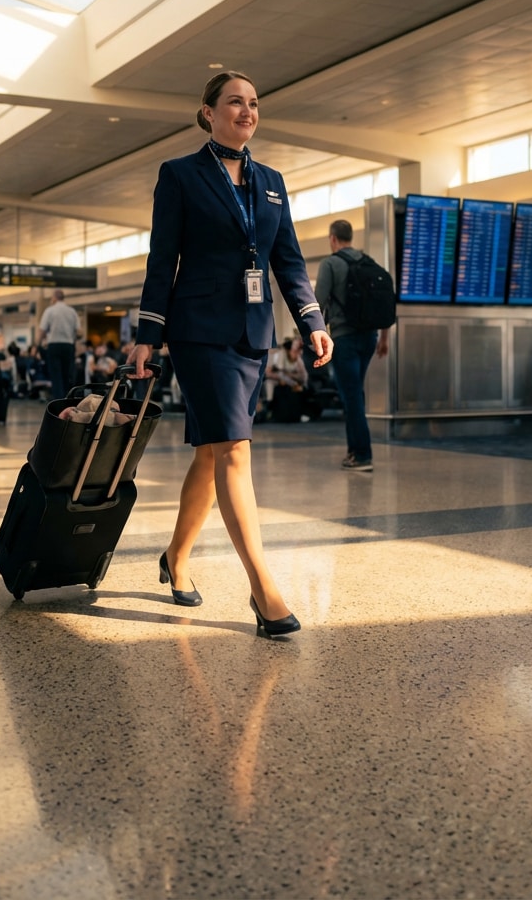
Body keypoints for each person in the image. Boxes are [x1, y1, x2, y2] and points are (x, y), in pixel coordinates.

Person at [131, 70, 332, 638]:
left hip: (252, 334)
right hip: (198, 331)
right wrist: (148, 333)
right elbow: (162, 257)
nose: (247, 111)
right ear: (208, 112)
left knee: (211, 452)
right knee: (235, 450)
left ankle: (176, 557)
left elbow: (287, 260)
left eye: (254, 104)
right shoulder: (180, 174)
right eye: (235, 102)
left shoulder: (271, 181)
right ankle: (264, 591)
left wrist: (311, 320)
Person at [314, 219, 390, 472]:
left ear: (332, 238)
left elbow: (318, 301)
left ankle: (363, 455)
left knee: (352, 395)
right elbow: (384, 301)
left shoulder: (330, 264)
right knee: (354, 392)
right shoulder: (368, 262)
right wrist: (384, 338)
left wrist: (314, 335)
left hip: (344, 339)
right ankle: (354, 452)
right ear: (350, 237)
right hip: (369, 338)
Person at [37, 289, 79, 402]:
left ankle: (58, 401)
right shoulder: (72, 311)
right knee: (66, 375)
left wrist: (37, 345)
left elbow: (42, 330)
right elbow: (78, 331)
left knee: (56, 376)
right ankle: (66, 399)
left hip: (54, 346)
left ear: (55, 298)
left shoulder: (49, 311)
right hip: (68, 346)